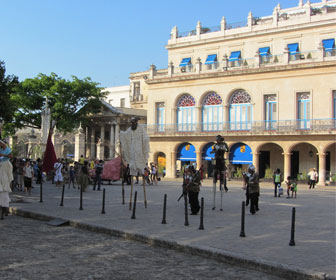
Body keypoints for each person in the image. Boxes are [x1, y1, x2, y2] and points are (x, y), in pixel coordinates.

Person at [210, 135, 229, 210]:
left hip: (221, 160)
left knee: (223, 171)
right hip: (216, 159)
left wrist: (222, 148)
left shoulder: (224, 144)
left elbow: (227, 150)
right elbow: (212, 151)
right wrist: (213, 151)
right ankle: (214, 178)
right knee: (214, 169)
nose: (217, 141)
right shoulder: (214, 145)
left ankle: (223, 183)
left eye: (218, 139)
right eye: (217, 139)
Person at [0, 140, 13, 219]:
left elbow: (10, 156)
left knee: (5, 186)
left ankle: (4, 209)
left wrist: (3, 155)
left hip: (4, 167)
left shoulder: (6, 149)